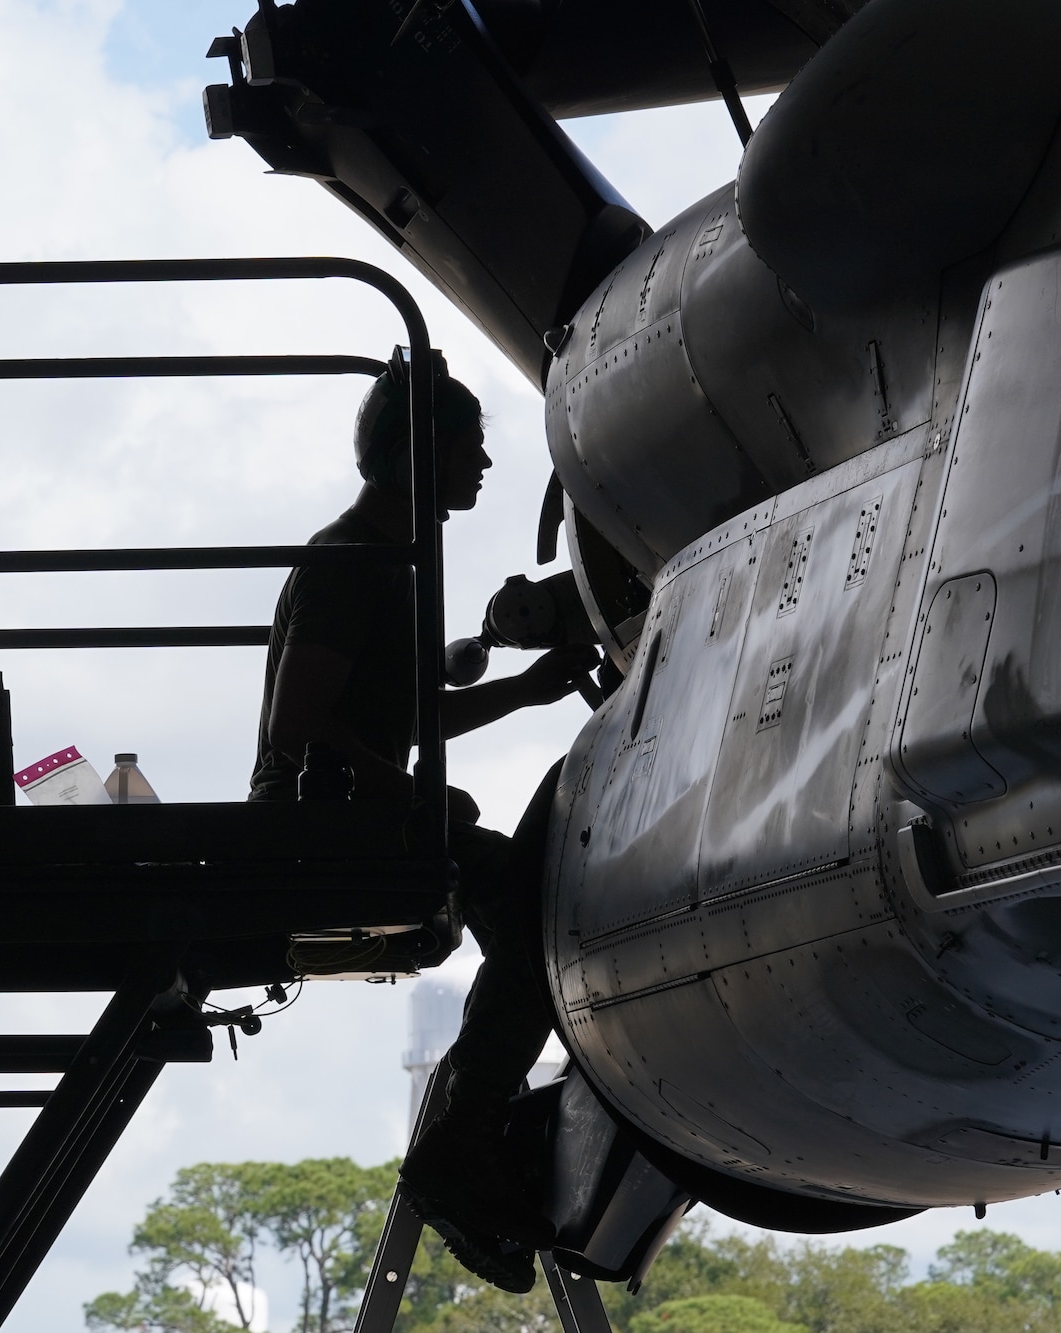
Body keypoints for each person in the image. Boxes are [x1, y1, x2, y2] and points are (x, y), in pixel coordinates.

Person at [250, 353, 595, 1292]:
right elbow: (296, 726)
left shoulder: (391, 559)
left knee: (524, 893)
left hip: (348, 819)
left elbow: (394, 720)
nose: (484, 465)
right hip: (318, 830)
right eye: (469, 447)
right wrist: (412, 797)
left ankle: (465, 1122)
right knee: (530, 916)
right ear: (421, 452)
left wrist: (524, 693)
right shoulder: (354, 560)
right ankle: (462, 1139)